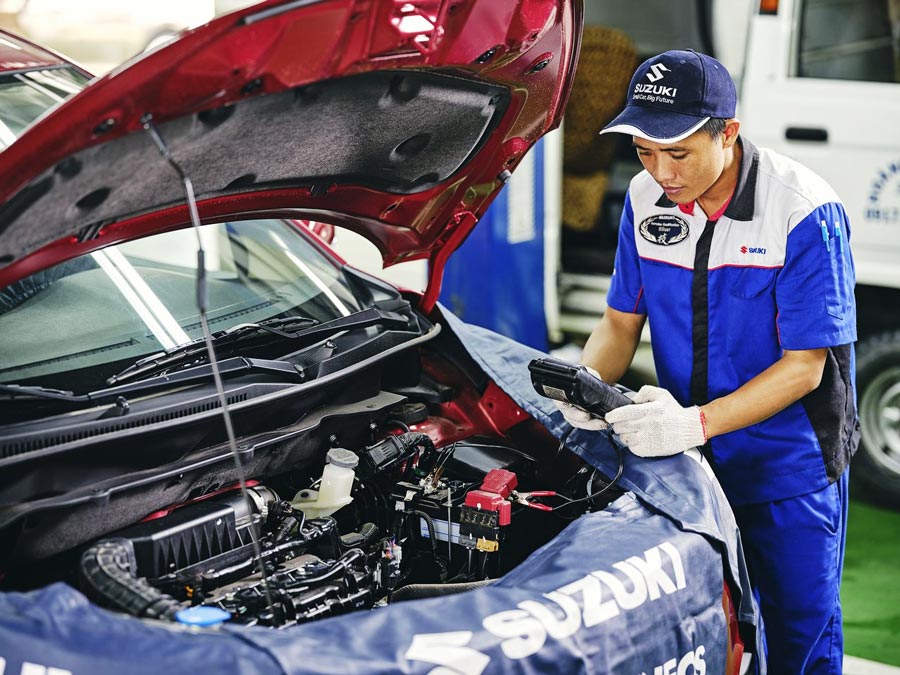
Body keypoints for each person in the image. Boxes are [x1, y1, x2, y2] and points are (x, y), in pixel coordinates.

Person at [557, 49, 859, 673]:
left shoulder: (802, 209)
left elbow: (805, 367)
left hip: (788, 469)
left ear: (728, 133)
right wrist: (587, 384)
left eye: (678, 153)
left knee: (797, 637)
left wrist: (692, 424)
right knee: (710, 630)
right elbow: (619, 322)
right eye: (644, 151)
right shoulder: (644, 197)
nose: (661, 172)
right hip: (690, 467)